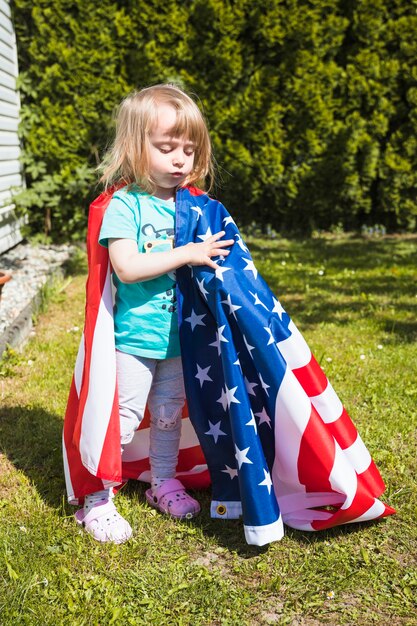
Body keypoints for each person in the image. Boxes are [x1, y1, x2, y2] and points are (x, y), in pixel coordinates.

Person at [75, 84, 234, 543]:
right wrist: (185, 252)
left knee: (167, 414)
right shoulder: (126, 206)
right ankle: (97, 498)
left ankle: (162, 481)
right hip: (134, 339)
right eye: (167, 148)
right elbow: (126, 268)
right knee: (121, 418)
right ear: (134, 146)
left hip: (179, 338)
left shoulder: (193, 205)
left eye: (189, 148)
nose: (180, 159)